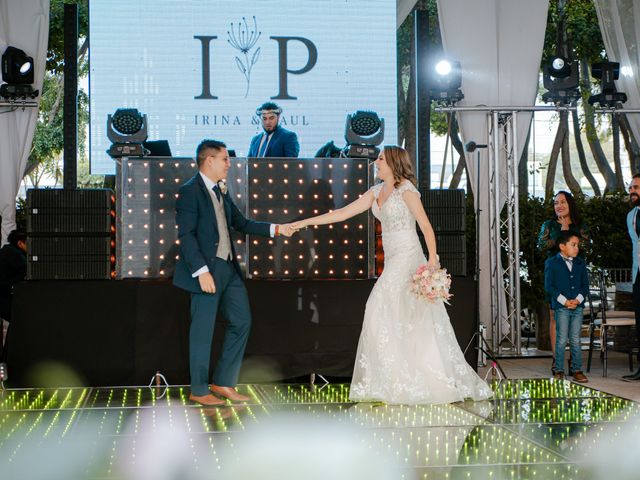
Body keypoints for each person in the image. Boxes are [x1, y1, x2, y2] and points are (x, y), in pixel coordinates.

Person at [291, 146, 492, 404]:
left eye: (381, 159)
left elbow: (425, 225)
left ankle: (417, 380)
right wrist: (302, 223)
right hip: (393, 259)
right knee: (392, 316)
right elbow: (342, 214)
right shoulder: (376, 192)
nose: (376, 162)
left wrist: (432, 260)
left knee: (389, 309)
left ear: (393, 163)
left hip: (409, 258)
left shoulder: (406, 190)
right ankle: (395, 379)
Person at [173, 139, 295, 406]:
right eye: (225, 159)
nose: (229, 164)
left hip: (228, 268)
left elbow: (241, 223)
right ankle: (199, 389)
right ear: (209, 161)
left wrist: (277, 229)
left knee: (241, 321)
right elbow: (187, 235)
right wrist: (201, 271)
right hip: (207, 270)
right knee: (202, 331)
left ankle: (223, 382)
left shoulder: (221, 191)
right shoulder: (189, 191)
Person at [537, 191, 590, 367]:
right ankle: (556, 358)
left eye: (562, 202)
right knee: (554, 315)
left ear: (570, 204)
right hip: (556, 274)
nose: (558, 206)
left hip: (575, 276)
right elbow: (541, 245)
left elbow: (588, 248)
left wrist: (569, 231)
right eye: (555, 203)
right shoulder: (549, 225)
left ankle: (574, 361)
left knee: (574, 316)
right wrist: (562, 231)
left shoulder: (580, 225)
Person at [544, 231, 589, 383]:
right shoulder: (552, 262)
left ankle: (576, 369)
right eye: (573, 245)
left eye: (577, 245)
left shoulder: (580, 263)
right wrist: (564, 301)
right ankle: (558, 370)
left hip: (577, 307)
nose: (576, 248)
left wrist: (577, 300)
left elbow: (585, 287)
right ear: (562, 246)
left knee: (576, 339)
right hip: (561, 307)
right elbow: (550, 286)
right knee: (562, 339)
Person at [624, 174, 640, 381]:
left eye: (636, 187)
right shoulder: (631, 215)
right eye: (631, 187)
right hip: (638, 275)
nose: (632, 191)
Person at [0, 229, 27, 323]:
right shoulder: (16, 255)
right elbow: (27, 270)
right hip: (3, 297)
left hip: (4, 295)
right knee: (21, 318)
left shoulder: (7, 251)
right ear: (20, 243)